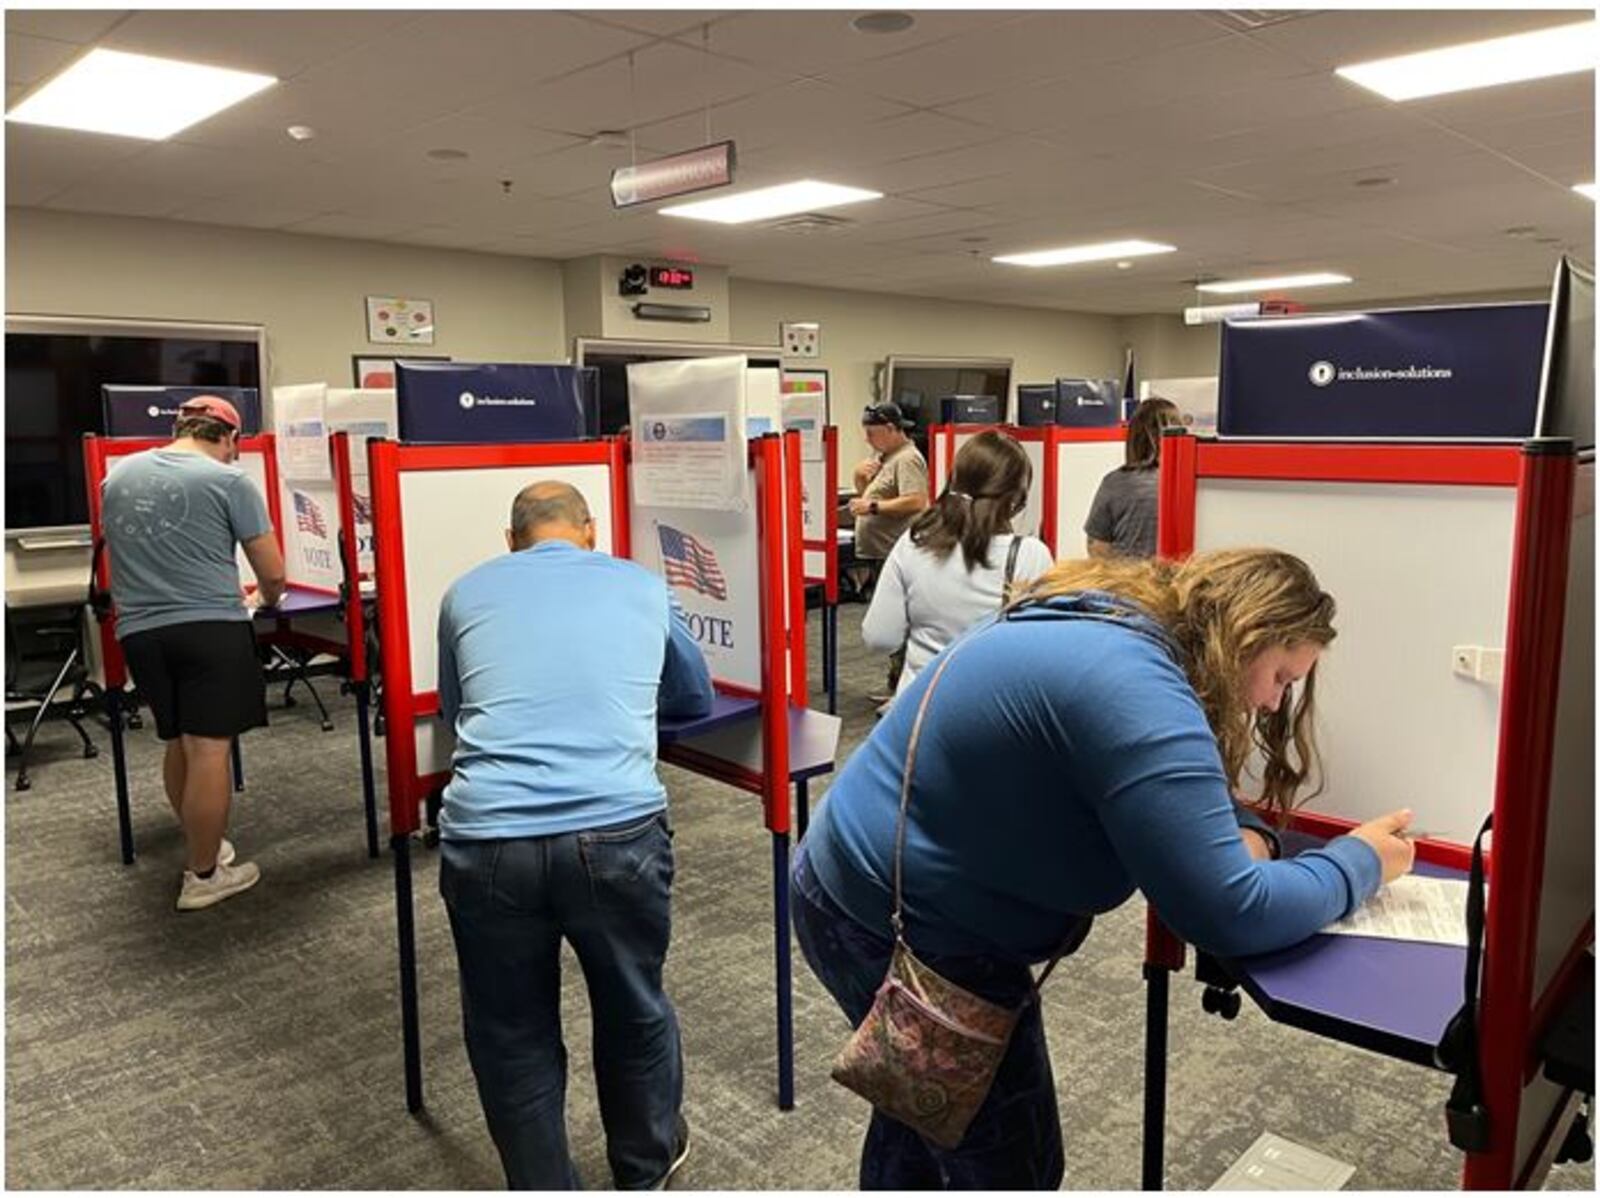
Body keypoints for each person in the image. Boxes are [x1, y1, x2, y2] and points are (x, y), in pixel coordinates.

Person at [792, 548, 1416, 1189]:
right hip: (897, 923)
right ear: (1246, 637)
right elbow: (1230, 912)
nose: (1271, 703)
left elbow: (1179, 788)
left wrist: (1248, 835)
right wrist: (1360, 862)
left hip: (858, 881)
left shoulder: (1116, 627)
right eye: (1282, 676)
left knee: (923, 1109)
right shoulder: (1133, 684)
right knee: (1009, 1166)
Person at [435, 480, 714, 1191]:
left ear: (511, 539)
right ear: (590, 531)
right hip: (616, 831)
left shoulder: (465, 592)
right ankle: (645, 1170)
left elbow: (454, 708)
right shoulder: (642, 586)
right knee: (633, 1006)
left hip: (487, 835)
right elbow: (693, 696)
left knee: (510, 1033)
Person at [101, 395, 284, 911]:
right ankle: (203, 875)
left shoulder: (119, 477)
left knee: (179, 740)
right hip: (210, 628)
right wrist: (266, 600)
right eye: (234, 447)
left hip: (140, 632)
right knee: (210, 749)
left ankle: (202, 842)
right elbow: (270, 570)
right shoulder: (227, 481)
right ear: (227, 437)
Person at [861, 430, 1052, 705]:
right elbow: (1041, 653)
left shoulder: (914, 542)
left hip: (919, 710)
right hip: (993, 711)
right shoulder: (1030, 555)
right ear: (1015, 498)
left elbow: (879, 638)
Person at [848, 402, 930, 697]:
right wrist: (860, 477)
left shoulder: (907, 459)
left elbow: (917, 501)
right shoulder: (885, 457)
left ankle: (904, 690)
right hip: (881, 551)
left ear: (893, 429)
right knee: (892, 622)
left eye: (872, 433)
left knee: (901, 623)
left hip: (896, 552)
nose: (868, 439)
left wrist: (872, 506)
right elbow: (866, 493)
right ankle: (896, 685)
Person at [1085, 396, 1184, 558]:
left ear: (1134, 437)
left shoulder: (1115, 482)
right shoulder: (1191, 486)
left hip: (1126, 580)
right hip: (1178, 580)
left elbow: (1097, 546)